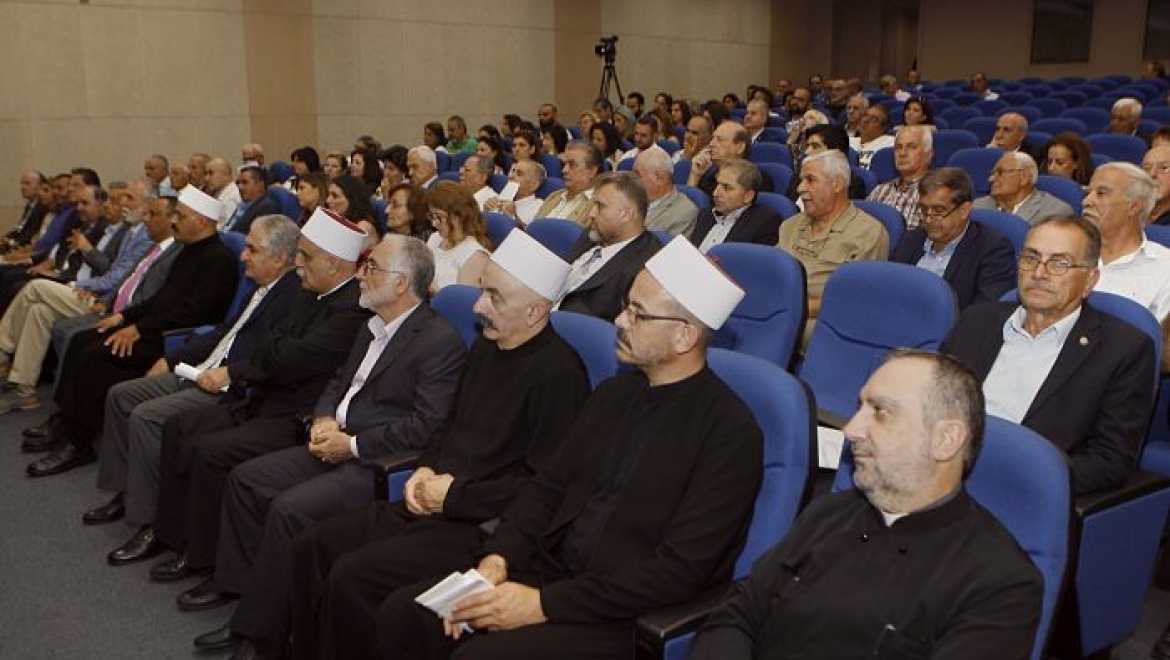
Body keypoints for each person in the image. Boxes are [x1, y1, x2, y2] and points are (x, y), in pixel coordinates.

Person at [376, 236, 761, 660]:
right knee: (410, 615)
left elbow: (678, 571)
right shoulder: (613, 394)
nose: (620, 320)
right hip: (551, 573)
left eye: (638, 313)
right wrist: (498, 559)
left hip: (623, 615)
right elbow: (547, 488)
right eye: (625, 306)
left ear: (684, 335)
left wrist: (541, 605)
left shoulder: (730, 434)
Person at [287, 229, 590, 659]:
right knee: (315, 545)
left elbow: (540, 487)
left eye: (494, 297)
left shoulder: (560, 377)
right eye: (483, 291)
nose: (479, 307)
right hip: (433, 498)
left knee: (353, 577)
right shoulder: (488, 347)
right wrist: (426, 467)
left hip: (480, 523)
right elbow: (447, 426)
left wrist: (454, 495)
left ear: (536, 311)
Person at [182, 233, 466, 658]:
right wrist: (324, 417)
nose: (361, 275)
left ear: (401, 283)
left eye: (371, 268)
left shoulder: (438, 341)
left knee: (288, 510)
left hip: (375, 461)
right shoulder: (371, 325)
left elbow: (424, 427)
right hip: (334, 438)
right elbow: (338, 382)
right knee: (246, 479)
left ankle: (262, 635)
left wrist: (352, 445)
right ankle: (243, 590)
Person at [690, 350, 1043, 660]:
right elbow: (737, 613)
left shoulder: (1000, 583)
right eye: (860, 407)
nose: (852, 429)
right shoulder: (828, 513)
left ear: (945, 440)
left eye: (881, 412)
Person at [146, 208, 370, 590]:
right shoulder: (309, 290)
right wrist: (277, 352)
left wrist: (276, 352)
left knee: (211, 453)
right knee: (179, 427)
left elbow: (291, 358)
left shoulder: (352, 309)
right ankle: (171, 535)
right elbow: (272, 346)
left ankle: (207, 561)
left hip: (294, 415)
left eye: (305, 257)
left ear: (333, 263)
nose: (297, 265)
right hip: (263, 397)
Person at [88, 216, 302, 560]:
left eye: (252, 249)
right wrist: (171, 359)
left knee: (146, 417)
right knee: (121, 395)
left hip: (228, 386)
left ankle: (149, 519)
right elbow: (222, 333)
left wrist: (226, 374)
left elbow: (267, 359)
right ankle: (126, 490)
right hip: (199, 368)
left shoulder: (292, 297)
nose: (243, 256)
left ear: (278, 259)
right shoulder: (260, 286)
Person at [25, 185, 239, 477]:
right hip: (154, 326)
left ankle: (79, 443)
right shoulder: (189, 250)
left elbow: (193, 313)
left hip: (174, 339)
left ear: (201, 221)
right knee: (81, 340)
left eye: (180, 216)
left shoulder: (219, 260)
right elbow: (161, 299)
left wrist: (138, 328)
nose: (173, 221)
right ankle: (66, 421)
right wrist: (124, 317)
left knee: (95, 356)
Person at [942, 216, 1155, 494]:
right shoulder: (977, 320)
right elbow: (933, 402)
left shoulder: (1124, 350)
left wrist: (1023, 480)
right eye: (1031, 258)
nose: (1039, 273)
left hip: (1020, 490)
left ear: (1090, 280)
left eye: (1059, 263)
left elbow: (1109, 460)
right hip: (941, 469)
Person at [0, 180, 153, 413]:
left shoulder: (144, 235)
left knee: (35, 287)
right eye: (120, 198)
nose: (122, 203)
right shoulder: (130, 229)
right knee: (39, 311)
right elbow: (116, 275)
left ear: (148, 204)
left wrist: (79, 284)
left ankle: (2, 349)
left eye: (129, 198)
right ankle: (24, 389)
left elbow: (115, 278)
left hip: (103, 300)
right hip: (96, 292)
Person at [778, 150, 888, 341]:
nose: (800, 188)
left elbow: (856, 300)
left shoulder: (869, 233)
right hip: (775, 317)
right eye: (801, 180)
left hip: (824, 329)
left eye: (810, 180)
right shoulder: (790, 225)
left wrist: (788, 307)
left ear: (837, 184)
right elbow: (772, 275)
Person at [1081, 162, 1170, 369]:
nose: (1086, 201)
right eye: (1087, 192)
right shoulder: (1062, 254)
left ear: (1134, 206)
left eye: (1101, 193)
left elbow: (1161, 354)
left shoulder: (1165, 268)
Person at [891, 168, 1016, 309]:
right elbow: (890, 287)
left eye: (938, 211)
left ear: (964, 210)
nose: (928, 219)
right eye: (924, 210)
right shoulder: (911, 239)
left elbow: (984, 312)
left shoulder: (993, 250)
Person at [557, 172, 662, 322]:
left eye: (600, 206)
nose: (591, 214)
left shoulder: (646, 266)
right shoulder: (593, 233)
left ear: (626, 215)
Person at [690, 159, 781, 252]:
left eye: (726, 188)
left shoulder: (764, 222)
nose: (715, 193)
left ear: (748, 196)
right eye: (717, 184)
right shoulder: (705, 215)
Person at [974, 152, 1074, 224]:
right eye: (992, 174)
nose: (991, 179)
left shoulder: (1054, 213)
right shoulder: (977, 207)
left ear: (1024, 177)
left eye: (1000, 172)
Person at [425, 181, 491, 291]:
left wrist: (433, 290)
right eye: (432, 216)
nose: (434, 223)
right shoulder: (435, 238)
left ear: (458, 216)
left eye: (439, 217)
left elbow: (462, 301)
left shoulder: (475, 255)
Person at [867, 125, 934, 229]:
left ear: (928, 155)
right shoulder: (879, 190)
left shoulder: (935, 193)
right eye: (898, 147)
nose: (902, 153)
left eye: (911, 147)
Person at [689, 121, 775, 199]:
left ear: (740, 147)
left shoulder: (758, 179)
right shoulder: (708, 174)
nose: (711, 144)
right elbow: (689, 205)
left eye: (719, 140)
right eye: (712, 139)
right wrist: (695, 174)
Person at [787, 124, 867, 202]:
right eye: (807, 146)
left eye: (815, 146)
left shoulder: (852, 184)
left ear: (836, 152)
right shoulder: (800, 175)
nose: (807, 152)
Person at [634, 145, 699, 236]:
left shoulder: (683, 213)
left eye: (637, 175)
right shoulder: (632, 198)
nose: (633, 179)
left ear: (658, 177)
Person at [536, 141, 602, 225]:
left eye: (572, 164)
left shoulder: (597, 205)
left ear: (592, 171)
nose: (564, 170)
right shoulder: (554, 196)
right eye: (564, 164)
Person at [326, 174, 380, 250]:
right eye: (328, 195)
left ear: (352, 200)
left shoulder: (363, 226)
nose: (327, 200)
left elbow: (339, 253)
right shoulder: (342, 221)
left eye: (335, 196)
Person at [484, 160, 546, 226]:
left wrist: (513, 216)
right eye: (513, 171)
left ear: (533, 185)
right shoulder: (499, 198)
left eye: (519, 174)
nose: (510, 176)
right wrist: (487, 212)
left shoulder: (539, 207)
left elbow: (529, 232)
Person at [223, 166, 279, 234]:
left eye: (245, 182)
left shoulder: (267, 208)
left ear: (260, 184)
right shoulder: (243, 204)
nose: (240, 187)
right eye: (238, 183)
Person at [206, 158, 241, 227]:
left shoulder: (233, 197)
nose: (206, 178)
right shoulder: (219, 193)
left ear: (225, 174)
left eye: (211, 173)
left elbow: (227, 228)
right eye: (206, 174)